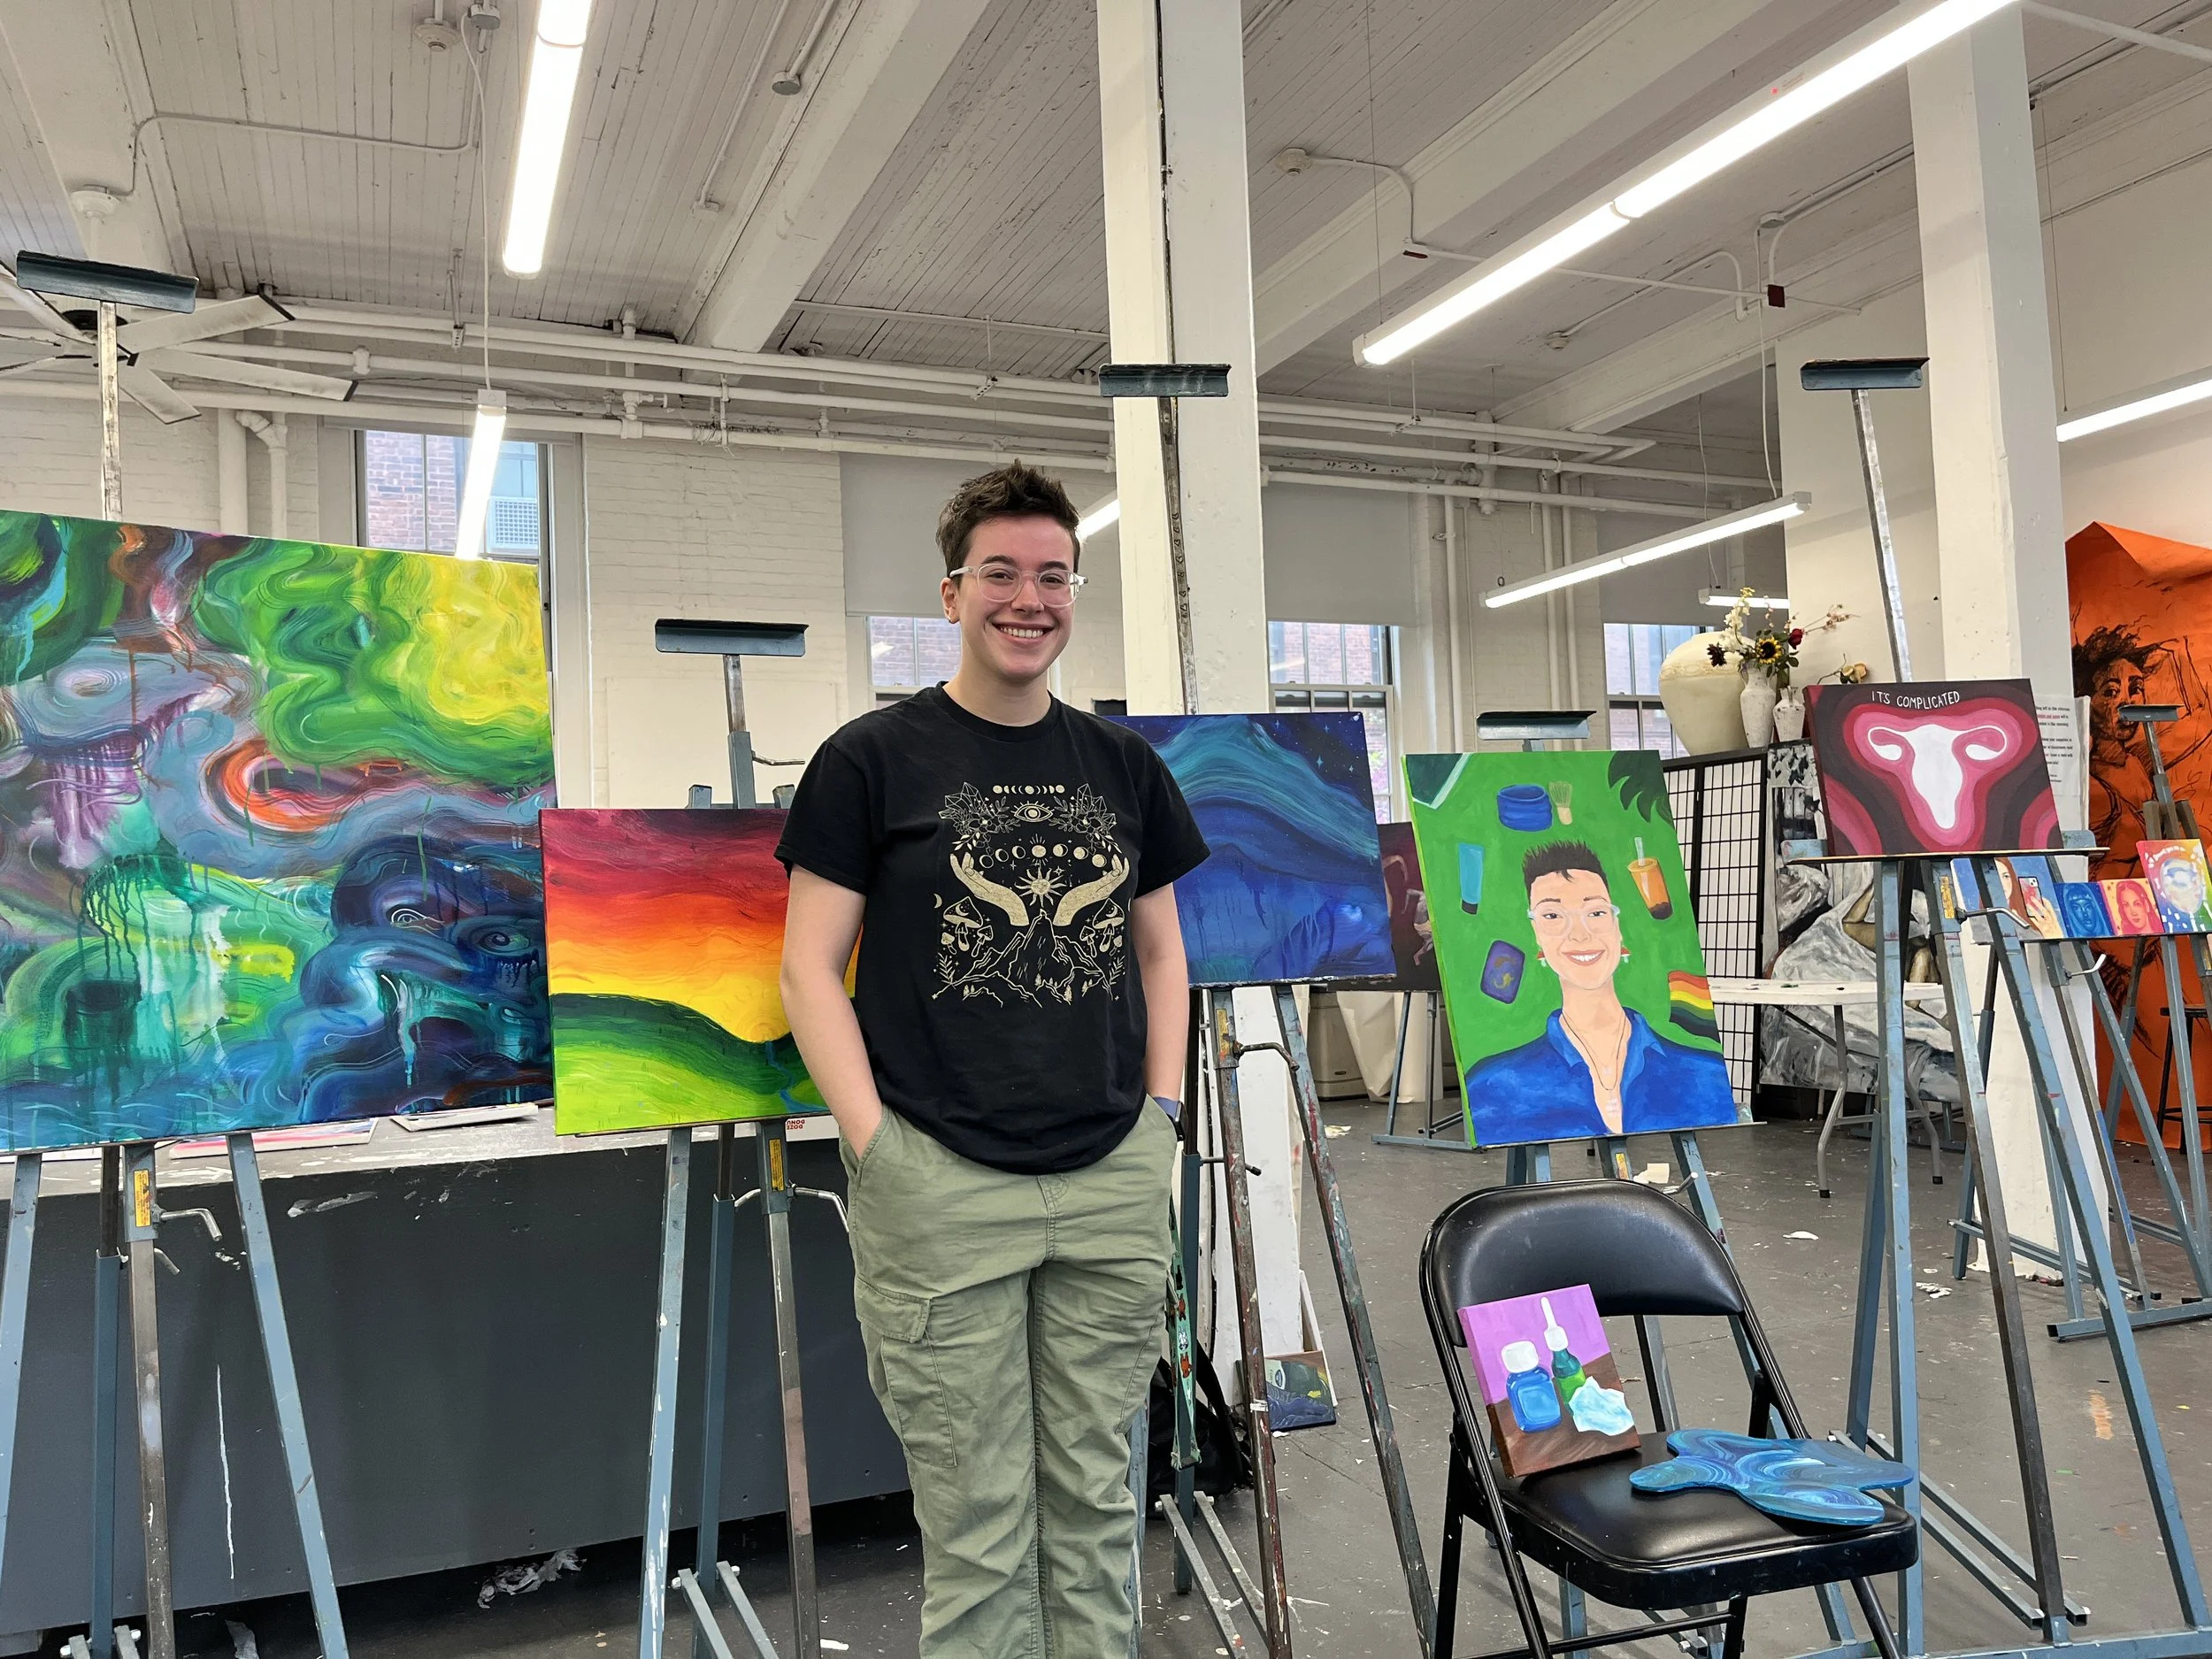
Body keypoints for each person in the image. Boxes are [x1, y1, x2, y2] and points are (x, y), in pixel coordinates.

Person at [776, 461, 1209, 1657]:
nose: (1030, 598)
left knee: (1098, 1500)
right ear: (952, 592)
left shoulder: (1123, 765)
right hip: (941, 1181)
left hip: (1110, 1173)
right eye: (1002, 573)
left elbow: (1162, 953)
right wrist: (878, 1146)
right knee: (977, 1524)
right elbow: (809, 968)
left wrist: (1161, 1115)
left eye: (1054, 575)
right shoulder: (870, 759)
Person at [1464, 841, 1735, 1143]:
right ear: (1536, 934)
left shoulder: (1704, 1074)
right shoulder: (1493, 1086)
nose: (1580, 934)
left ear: (1618, 927)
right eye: (1552, 916)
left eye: (1595, 912)